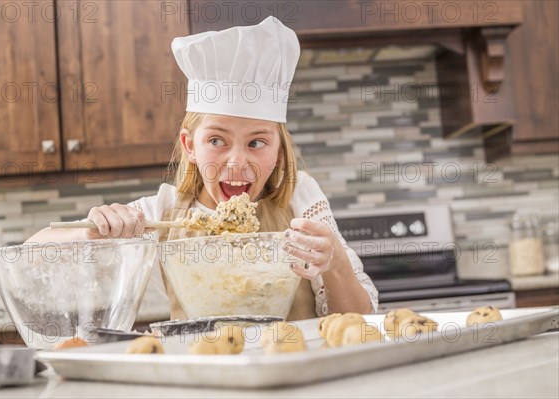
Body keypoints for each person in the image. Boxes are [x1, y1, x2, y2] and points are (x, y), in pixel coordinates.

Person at [27, 17, 378, 320]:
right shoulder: (158, 213)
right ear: (189, 146)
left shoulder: (302, 200)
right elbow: (31, 257)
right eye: (217, 141)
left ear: (279, 153)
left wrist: (335, 264)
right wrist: (89, 232)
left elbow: (362, 322)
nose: (237, 162)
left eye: (257, 142)